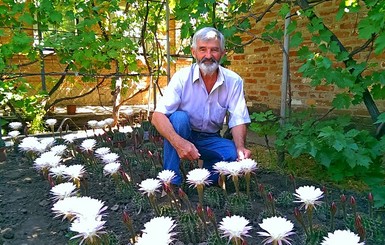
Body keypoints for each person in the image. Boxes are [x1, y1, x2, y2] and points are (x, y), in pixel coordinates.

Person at [151, 27, 251, 186]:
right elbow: (157, 116)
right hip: (184, 133)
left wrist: (240, 147)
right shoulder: (182, 78)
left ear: (223, 53)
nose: (208, 56)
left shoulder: (234, 81)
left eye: (214, 50)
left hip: (210, 138)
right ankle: (171, 183)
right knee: (178, 118)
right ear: (193, 52)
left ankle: (203, 180)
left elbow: (238, 118)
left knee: (232, 154)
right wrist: (179, 143)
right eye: (202, 49)